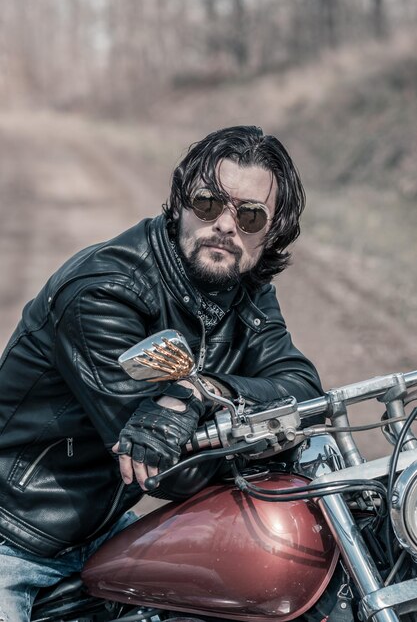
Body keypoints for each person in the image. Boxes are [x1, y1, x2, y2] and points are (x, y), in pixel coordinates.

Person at [0, 125, 323, 620]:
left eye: (250, 214)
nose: (225, 225)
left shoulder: (245, 287)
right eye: (208, 203)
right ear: (180, 203)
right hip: (16, 539)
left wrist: (204, 392)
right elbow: (167, 469)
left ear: (272, 230)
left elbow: (300, 389)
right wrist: (239, 415)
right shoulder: (105, 292)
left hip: (100, 529)